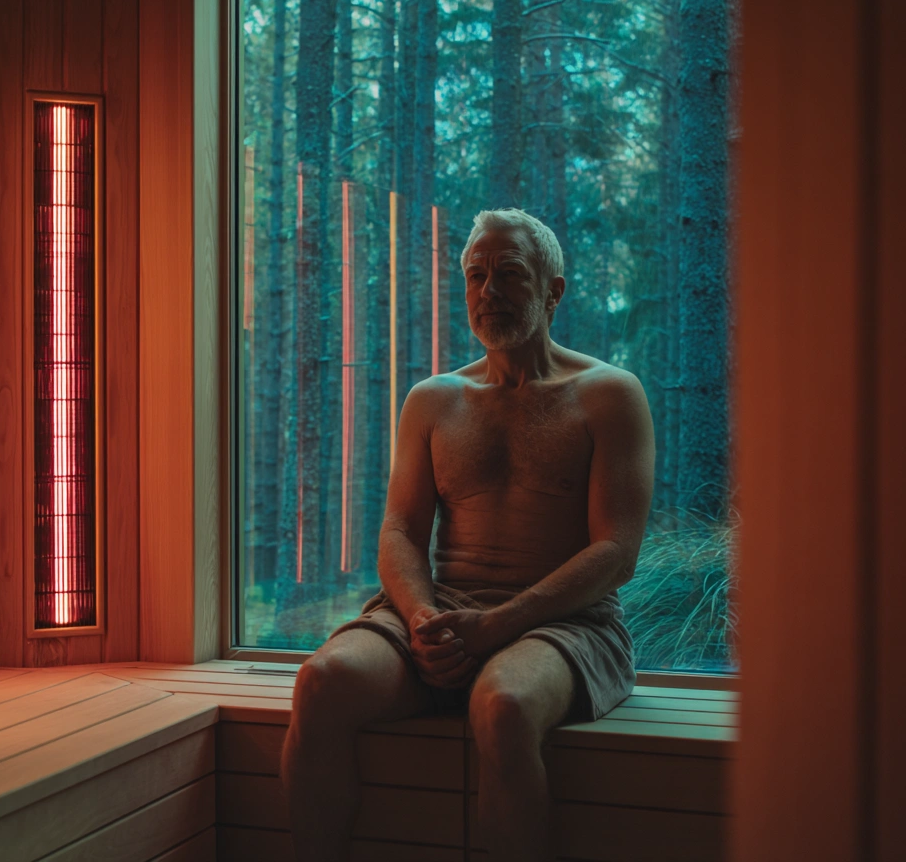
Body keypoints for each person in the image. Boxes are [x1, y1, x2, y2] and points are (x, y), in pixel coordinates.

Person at [280, 208, 654, 862]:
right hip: (442, 614)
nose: (488, 292)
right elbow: (399, 530)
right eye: (476, 276)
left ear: (553, 289)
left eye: (510, 275)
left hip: (566, 624)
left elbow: (616, 551)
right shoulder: (433, 400)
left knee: (504, 706)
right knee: (322, 681)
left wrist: (501, 623)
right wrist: (423, 616)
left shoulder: (609, 395)